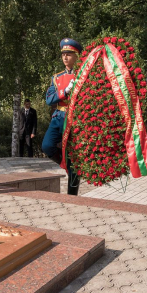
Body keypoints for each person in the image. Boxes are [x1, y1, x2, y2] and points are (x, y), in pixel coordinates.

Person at [42, 38, 82, 195]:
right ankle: (67, 165)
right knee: (47, 146)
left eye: (69, 54)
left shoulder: (82, 76)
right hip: (59, 117)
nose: (65, 57)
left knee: (74, 157)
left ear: (76, 56)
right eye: (63, 54)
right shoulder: (56, 77)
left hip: (75, 119)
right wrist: (64, 92)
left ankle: (72, 195)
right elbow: (49, 99)